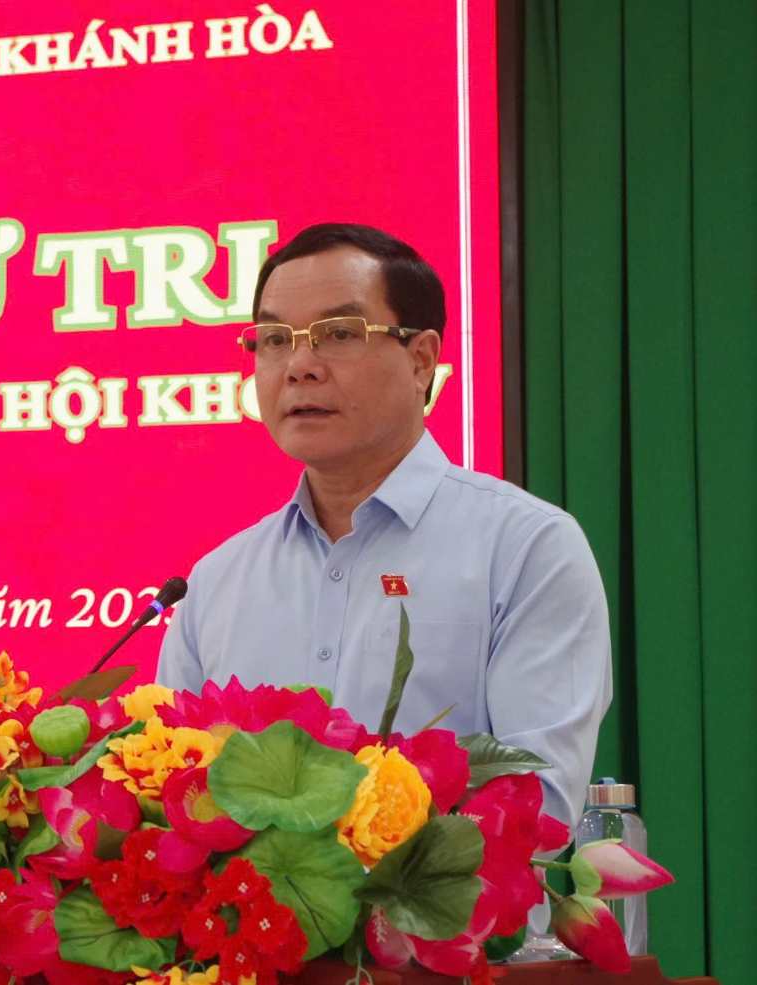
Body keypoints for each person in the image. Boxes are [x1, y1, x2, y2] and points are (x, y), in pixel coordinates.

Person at [155, 222, 611, 825]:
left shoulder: (526, 548)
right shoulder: (217, 580)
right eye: (273, 339)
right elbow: (167, 798)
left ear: (421, 360)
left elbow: (538, 808)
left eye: (338, 333)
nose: (299, 366)